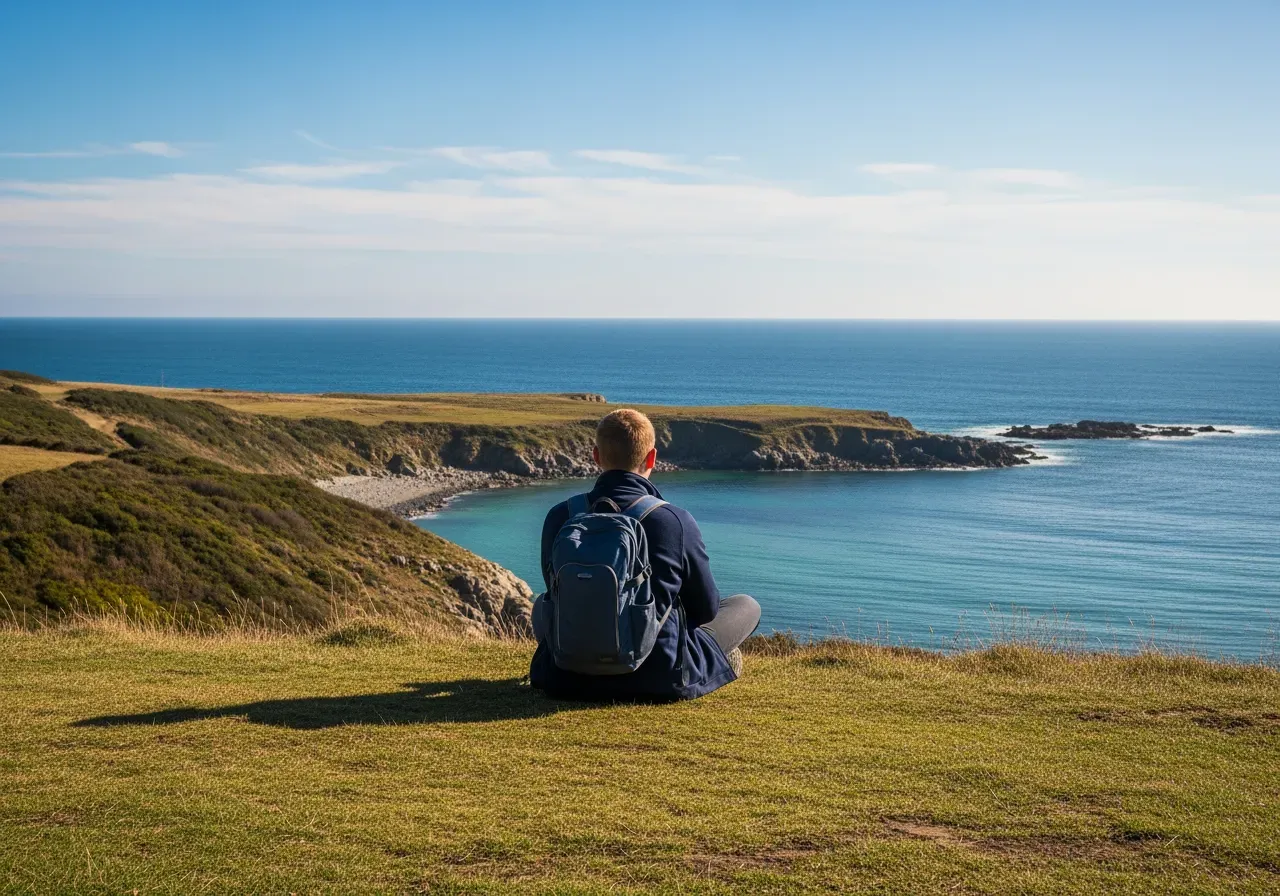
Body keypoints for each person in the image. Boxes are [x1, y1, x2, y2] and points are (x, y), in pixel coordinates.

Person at [529, 408, 761, 700]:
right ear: (651, 458)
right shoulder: (673, 520)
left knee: (541, 604)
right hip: (657, 677)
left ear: (596, 456)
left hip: (566, 676)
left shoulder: (560, 515)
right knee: (747, 605)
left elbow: (555, 593)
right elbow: (705, 609)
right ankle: (720, 660)